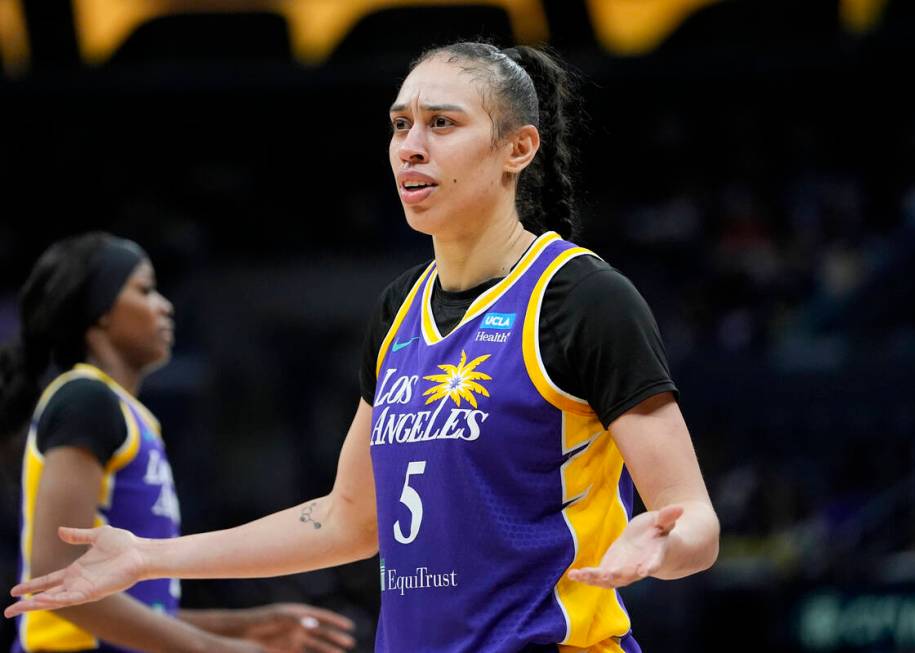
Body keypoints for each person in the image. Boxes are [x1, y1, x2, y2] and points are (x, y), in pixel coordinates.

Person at [5, 42, 720, 652]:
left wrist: (663, 545)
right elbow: (348, 518)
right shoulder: (398, 308)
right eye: (400, 124)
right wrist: (145, 556)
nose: (411, 145)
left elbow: (693, 518)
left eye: (442, 123)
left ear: (518, 148)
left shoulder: (582, 298)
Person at [0, 233, 356, 653]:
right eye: (145, 290)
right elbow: (57, 577)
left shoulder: (128, 414)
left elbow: (138, 606)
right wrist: (222, 650)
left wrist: (245, 626)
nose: (164, 305)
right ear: (100, 312)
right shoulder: (85, 399)